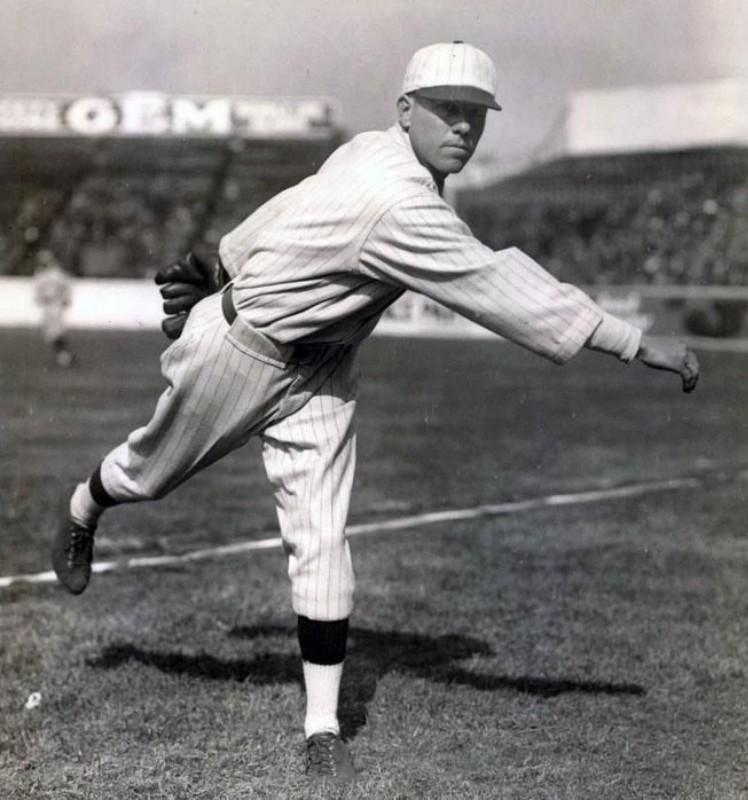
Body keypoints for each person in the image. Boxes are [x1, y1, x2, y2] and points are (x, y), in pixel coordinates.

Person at [51, 41, 699, 785]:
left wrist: (224, 258)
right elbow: (501, 286)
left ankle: (323, 727)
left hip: (322, 369)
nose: (464, 127)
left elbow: (291, 206)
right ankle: (82, 506)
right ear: (406, 111)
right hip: (242, 349)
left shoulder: (373, 153)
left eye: (477, 114)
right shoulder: (400, 203)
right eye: (447, 110)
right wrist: (634, 342)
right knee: (147, 475)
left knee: (322, 537)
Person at [33, 250, 75, 367]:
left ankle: (64, 355)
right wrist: (39, 298)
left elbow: (66, 286)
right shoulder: (40, 274)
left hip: (55, 303)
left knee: (55, 331)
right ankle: (64, 354)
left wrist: (66, 298)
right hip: (47, 305)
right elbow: (38, 290)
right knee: (49, 331)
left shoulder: (57, 274)